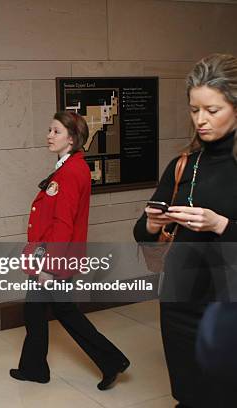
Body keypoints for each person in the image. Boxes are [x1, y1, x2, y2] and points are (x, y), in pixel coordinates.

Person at [133, 53, 237, 408]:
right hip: (181, 296)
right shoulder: (183, 163)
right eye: (194, 110)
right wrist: (152, 222)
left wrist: (219, 224)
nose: (201, 120)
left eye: (212, 110)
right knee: (188, 391)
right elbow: (142, 231)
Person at [10, 111, 129, 390]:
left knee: (52, 312)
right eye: (49, 130)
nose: (49, 136)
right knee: (50, 311)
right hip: (49, 254)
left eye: (56, 132)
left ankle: (108, 360)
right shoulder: (68, 166)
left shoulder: (72, 171)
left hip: (54, 258)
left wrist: (47, 268)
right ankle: (37, 367)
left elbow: (63, 224)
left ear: (72, 139)